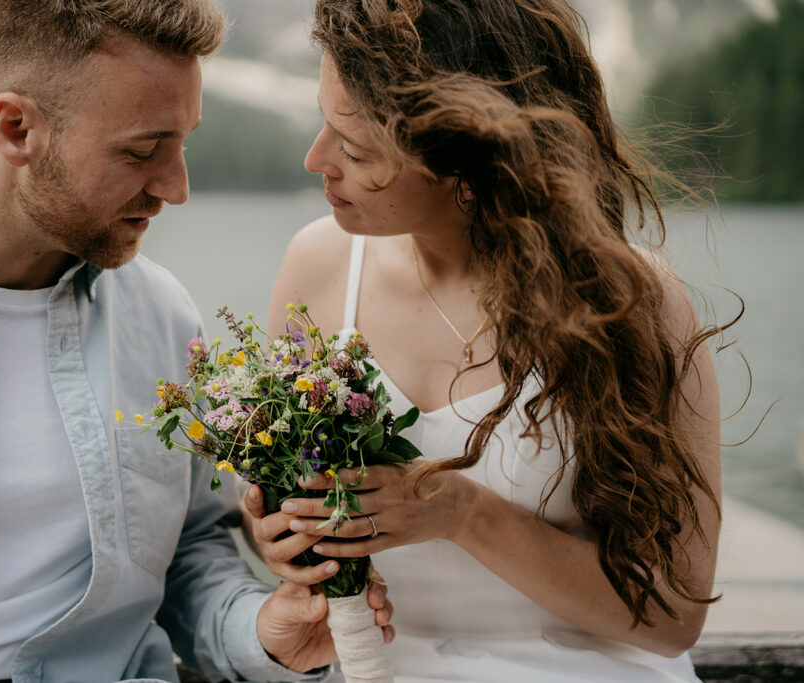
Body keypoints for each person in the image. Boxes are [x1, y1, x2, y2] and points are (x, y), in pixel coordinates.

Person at [0, 1, 391, 681]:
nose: (176, 187)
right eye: (141, 151)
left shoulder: (163, 318)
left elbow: (190, 555)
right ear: (16, 129)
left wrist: (262, 636)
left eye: (183, 143)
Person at [244, 0, 724, 681]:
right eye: (324, 123)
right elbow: (297, 522)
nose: (315, 159)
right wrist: (289, 539)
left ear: (465, 164)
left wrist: (458, 510)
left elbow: (675, 617)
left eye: (353, 146)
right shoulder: (316, 270)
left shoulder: (634, 303)